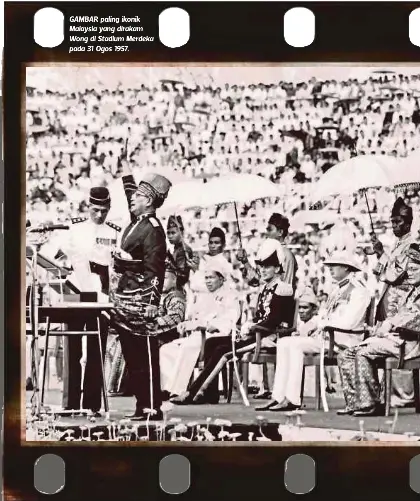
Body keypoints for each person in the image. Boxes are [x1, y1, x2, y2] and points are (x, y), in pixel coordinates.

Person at [171, 239, 296, 405]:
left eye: (267, 266)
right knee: (212, 343)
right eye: (262, 266)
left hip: (269, 338)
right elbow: (261, 315)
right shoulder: (266, 288)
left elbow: (274, 321)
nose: (263, 270)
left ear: (278, 268)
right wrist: (250, 325)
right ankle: (210, 393)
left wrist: (251, 328)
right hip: (258, 333)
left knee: (223, 351)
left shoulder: (283, 288)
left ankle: (193, 393)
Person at [256, 251, 371, 412]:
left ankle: (292, 399)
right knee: (284, 342)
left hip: (344, 340)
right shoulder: (337, 289)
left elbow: (349, 322)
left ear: (346, 267)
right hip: (328, 337)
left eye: (334, 266)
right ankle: (278, 396)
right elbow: (324, 315)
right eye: (329, 266)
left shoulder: (358, 291)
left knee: (296, 346)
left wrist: (323, 323)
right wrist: (313, 325)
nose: (330, 269)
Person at [46, 186, 120, 416]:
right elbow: (54, 254)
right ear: (88, 206)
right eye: (96, 210)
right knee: (72, 347)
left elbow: (116, 266)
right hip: (75, 291)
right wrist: (66, 263)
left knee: (97, 348)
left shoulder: (114, 231)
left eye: (104, 211)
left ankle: (92, 404)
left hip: (100, 295)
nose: (100, 215)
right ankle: (70, 403)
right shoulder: (75, 228)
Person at [109, 167, 171, 421]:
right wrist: (125, 176)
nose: (132, 198)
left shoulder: (153, 229)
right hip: (126, 300)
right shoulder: (137, 223)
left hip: (142, 301)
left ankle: (152, 407)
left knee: (145, 356)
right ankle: (141, 404)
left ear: (148, 200)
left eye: (137, 196)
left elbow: (155, 268)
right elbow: (129, 198)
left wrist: (153, 302)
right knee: (133, 358)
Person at [338, 242, 420, 417]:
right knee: (346, 354)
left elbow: (413, 320)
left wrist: (392, 325)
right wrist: (386, 325)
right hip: (397, 339)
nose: (410, 272)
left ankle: (371, 403)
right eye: (410, 268)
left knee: (361, 352)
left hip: (411, 343)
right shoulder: (412, 291)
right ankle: (356, 402)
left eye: (415, 269)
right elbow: (399, 315)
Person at [160, 260, 240, 402]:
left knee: (188, 347)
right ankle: (167, 389)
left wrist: (204, 325)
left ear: (221, 279)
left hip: (215, 336)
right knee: (166, 349)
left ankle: (181, 391)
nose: (208, 281)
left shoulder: (230, 295)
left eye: (212, 278)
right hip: (198, 335)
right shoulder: (204, 297)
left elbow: (230, 320)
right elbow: (196, 317)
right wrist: (187, 324)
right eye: (206, 278)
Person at [371, 197, 416, 408]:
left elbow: (396, 273)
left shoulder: (414, 244)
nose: (394, 225)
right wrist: (381, 252)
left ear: (408, 222)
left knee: (401, 347)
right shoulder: (399, 243)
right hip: (393, 300)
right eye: (392, 221)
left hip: (407, 302)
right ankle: (388, 393)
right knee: (388, 343)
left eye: (398, 222)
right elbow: (384, 270)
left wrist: (382, 254)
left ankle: (404, 396)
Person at [237, 212, 298, 292]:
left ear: (280, 232)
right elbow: (257, 280)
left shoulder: (286, 254)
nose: (266, 233)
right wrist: (245, 261)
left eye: (270, 230)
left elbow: (286, 289)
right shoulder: (269, 252)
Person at [166, 215, 198, 290]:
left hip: (181, 289)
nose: (170, 236)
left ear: (181, 232)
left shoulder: (183, 250)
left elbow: (182, 276)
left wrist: (169, 263)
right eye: (168, 233)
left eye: (173, 233)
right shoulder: (177, 248)